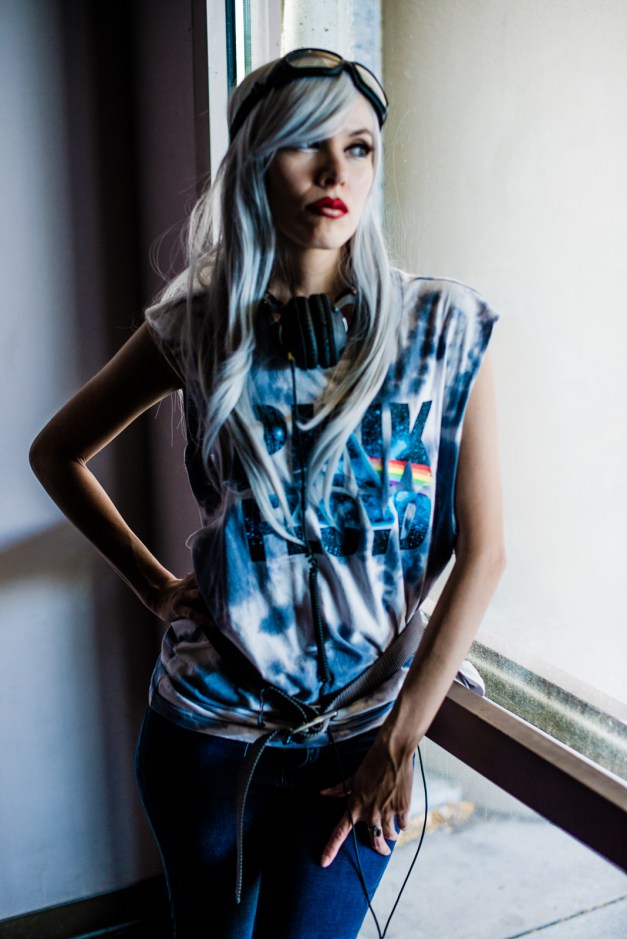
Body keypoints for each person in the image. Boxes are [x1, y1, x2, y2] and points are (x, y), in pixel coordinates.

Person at [30, 48, 505, 939]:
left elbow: (483, 552)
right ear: (254, 160)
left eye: (358, 147)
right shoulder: (196, 324)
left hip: (360, 741)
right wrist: (153, 585)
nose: (336, 172)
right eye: (305, 143)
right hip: (205, 738)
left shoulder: (442, 328)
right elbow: (57, 452)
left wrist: (399, 739)